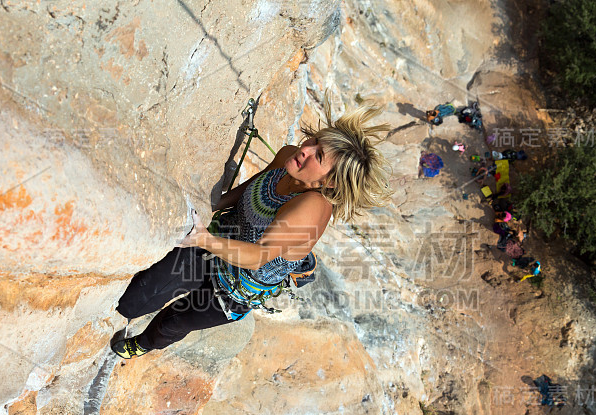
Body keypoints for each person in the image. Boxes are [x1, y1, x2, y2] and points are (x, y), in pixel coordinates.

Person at [111, 99, 392, 358]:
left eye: (318, 156)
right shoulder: (288, 156)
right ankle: (124, 315)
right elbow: (253, 187)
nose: (305, 149)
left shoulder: (311, 209)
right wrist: (217, 203)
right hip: (219, 242)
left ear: (329, 182)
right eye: (315, 141)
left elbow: (260, 257)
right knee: (138, 296)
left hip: (234, 291)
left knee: (172, 323)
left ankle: (142, 345)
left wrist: (202, 239)